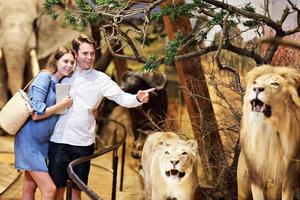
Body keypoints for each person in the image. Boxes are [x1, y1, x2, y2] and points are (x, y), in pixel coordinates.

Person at [48, 34, 150, 200]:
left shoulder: (101, 79)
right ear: (74, 53)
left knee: (76, 191)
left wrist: (137, 98)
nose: (89, 57)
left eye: (92, 53)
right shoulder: (63, 74)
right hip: (58, 140)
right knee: (56, 190)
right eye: (85, 53)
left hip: (83, 143)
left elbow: (123, 98)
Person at [14, 46, 74, 200]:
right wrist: (62, 105)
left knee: (29, 189)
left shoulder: (60, 84)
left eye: (72, 62)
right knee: (49, 190)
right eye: (65, 61)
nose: (69, 65)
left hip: (42, 143)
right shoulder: (44, 77)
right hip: (29, 141)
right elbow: (36, 113)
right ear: (56, 60)